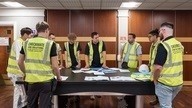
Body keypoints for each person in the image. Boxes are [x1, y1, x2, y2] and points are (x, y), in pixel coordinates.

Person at [18, 21, 62, 108]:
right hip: (45, 81)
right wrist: (59, 77)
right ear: (46, 30)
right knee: (44, 105)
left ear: (37, 30)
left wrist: (26, 73)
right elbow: (55, 66)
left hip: (31, 81)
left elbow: (19, 62)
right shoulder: (50, 44)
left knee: (31, 105)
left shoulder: (26, 43)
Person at [153, 22, 184, 108]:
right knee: (166, 104)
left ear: (163, 30)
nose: (159, 34)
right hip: (178, 82)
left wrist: (155, 79)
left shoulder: (163, 45)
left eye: (159, 31)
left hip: (165, 83)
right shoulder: (179, 44)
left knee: (165, 106)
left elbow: (158, 68)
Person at [7, 27, 32, 108]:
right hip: (15, 72)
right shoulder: (18, 42)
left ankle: (22, 105)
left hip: (18, 71)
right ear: (24, 34)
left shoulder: (22, 42)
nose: (29, 37)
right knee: (19, 91)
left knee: (21, 92)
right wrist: (25, 72)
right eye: (29, 35)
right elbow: (19, 59)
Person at [120, 33, 142, 108]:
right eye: (128, 37)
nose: (128, 39)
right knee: (123, 80)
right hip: (124, 64)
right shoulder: (126, 44)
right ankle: (123, 95)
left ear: (134, 38)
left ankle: (129, 97)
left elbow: (139, 56)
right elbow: (121, 49)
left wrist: (140, 66)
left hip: (132, 66)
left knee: (130, 82)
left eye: (130, 38)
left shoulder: (137, 45)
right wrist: (120, 57)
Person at [84, 32, 107, 100]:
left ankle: (98, 93)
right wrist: (87, 64)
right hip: (92, 65)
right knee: (92, 80)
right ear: (92, 38)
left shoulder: (102, 43)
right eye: (96, 38)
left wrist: (104, 63)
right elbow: (86, 55)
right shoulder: (88, 44)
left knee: (100, 80)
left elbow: (104, 53)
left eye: (98, 37)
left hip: (100, 64)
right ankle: (92, 94)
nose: (97, 39)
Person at [148, 29, 160, 106]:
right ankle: (157, 100)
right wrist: (149, 63)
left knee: (159, 87)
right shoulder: (152, 44)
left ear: (155, 36)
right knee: (156, 86)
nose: (148, 38)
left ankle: (160, 102)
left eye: (150, 37)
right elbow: (152, 56)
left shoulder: (160, 45)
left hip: (158, 69)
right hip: (152, 68)